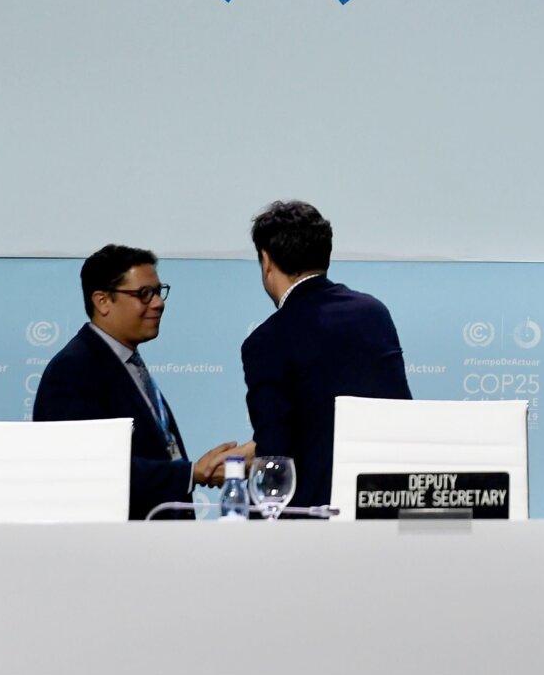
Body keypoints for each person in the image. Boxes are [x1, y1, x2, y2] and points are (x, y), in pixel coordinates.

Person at [33, 245, 244, 519]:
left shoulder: (125, 363)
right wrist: (192, 473)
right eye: (144, 294)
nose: (158, 303)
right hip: (117, 548)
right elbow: (89, 470)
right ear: (102, 301)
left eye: (159, 291)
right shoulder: (74, 370)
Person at [242, 201, 411, 512]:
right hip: (385, 506)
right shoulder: (373, 312)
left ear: (266, 260)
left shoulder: (266, 340)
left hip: (310, 521)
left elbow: (275, 454)